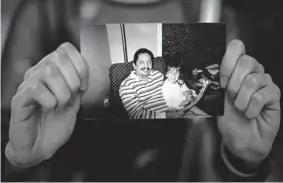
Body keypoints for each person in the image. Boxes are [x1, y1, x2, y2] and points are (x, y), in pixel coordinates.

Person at [1, 0, 281, 181]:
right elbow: (10, 130)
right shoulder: (49, 10)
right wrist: (17, 158)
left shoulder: (217, 13)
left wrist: (243, 159)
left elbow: (227, 155)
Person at [119, 48, 168, 119]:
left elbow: (169, 89)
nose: (146, 66)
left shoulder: (158, 75)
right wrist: (168, 115)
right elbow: (136, 115)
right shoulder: (127, 86)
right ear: (134, 65)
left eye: (149, 62)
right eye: (141, 62)